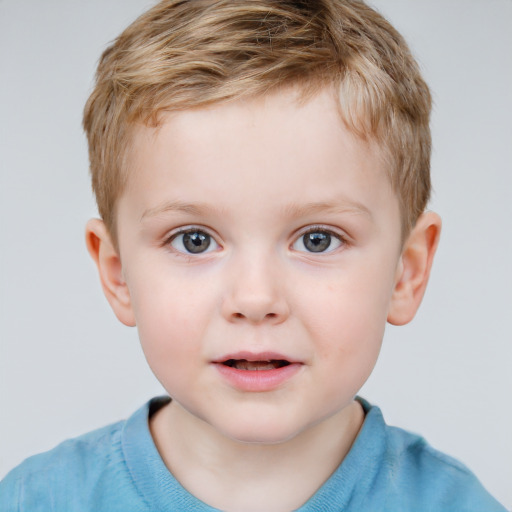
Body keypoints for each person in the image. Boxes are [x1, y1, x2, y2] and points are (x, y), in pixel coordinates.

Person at [0, 1, 506, 510]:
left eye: (317, 239)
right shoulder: (35, 501)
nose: (256, 298)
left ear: (406, 272)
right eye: (194, 240)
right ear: (118, 275)